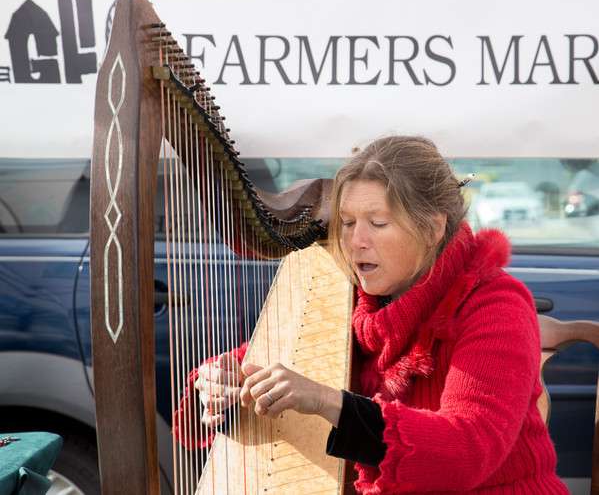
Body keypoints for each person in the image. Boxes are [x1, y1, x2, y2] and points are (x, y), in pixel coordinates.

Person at [174, 136, 568, 494]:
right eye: (347, 223)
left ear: (432, 229)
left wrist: (329, 401)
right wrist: (219, 387)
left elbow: (466, 452)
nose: (355, 242)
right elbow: (261, 371)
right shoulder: (347, 302)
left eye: (378, 223)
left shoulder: (495, 304)